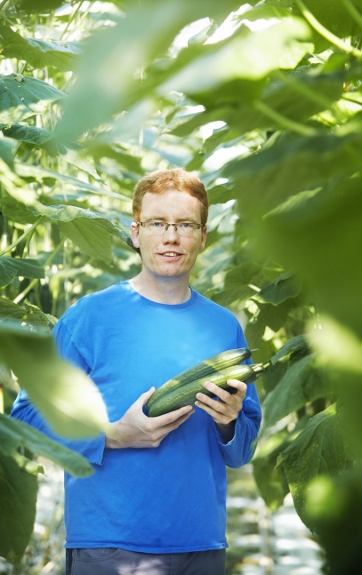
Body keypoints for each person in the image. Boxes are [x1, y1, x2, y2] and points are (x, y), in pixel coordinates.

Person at [11, 168, 262, 575]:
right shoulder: (89, 317)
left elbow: (242, 450)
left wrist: (230, 423)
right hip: (108, 547)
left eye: (184, 224)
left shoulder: (223, 326)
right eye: (157, 223)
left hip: (202, 546)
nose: (171, 236)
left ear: (202, 236)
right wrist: (112, 435)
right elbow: (27, 418)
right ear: (135, 232)